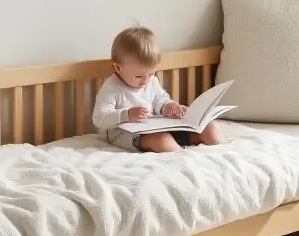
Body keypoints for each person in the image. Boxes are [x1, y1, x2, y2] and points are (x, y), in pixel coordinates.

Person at [92, 26, 225, 152]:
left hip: (153, 127)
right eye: (138, 76)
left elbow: (160, 101)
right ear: (118, 68)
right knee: (162, 140)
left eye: (151, 74)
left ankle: (212, 154)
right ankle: (182, 158)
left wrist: (169, 107)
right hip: (124, 133)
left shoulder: (151, 81)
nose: (145, 80)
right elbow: (99, 118)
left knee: (210, 129)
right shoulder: (112, 88)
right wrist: (127, 114)